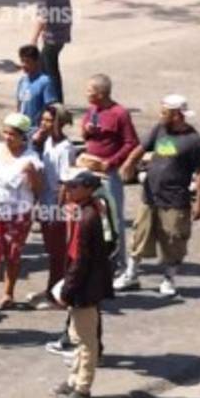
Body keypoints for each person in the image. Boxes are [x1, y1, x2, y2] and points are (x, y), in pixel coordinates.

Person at [116, 95, 200, 297]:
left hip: (175, 200)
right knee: (140, 234)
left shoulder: (193, 141)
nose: (160, 115)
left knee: (173, 240)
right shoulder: (160, 129)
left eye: (164, 112)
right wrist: (129, 162)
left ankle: (169, 278)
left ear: (177, 115)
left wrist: (199, 201)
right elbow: (141, 148)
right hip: (150, 195)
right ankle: (130, 275)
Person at [52, 171, 115, 398]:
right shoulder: (84, 209)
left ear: (88, 188)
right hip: (80, 282)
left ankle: (83, 388)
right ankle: (73, 380)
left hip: (84, 286)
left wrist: (68, 290)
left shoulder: (88, 216)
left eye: (73, 186)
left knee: (87, 340)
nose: (68, 190)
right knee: (77, 335)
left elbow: (82, 260)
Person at [0, 113, 44, 313]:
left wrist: (32, 174)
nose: (7, 137)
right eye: (5, 133)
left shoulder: (31, 159)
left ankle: (8, 293)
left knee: (12, 255)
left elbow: (38, 189)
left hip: (18, 214)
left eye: (13, 134)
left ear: (23, 136)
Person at [79, 74, 138, 271]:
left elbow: (131, 143)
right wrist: (87, 130)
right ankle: (95, 258)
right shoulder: (92, 110)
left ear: (101, 93)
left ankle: (119, 262)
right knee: (90, 216)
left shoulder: (119, 113)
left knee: (113, 218)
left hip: (108, 173)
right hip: (89, 170)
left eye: (90, 91)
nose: (87, 94)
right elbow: (85, 134)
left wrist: (111, 162)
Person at [29, 103, 78, 308]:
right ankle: (52, 288)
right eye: (43, 120)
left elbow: (65, 183)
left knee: (59, 253)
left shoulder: (66, 149)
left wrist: (56, 212)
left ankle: (57, 295)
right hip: (45, 201)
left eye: (49, 120)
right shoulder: (47, 141)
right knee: (52, 251)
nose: (44, 124)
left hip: (56, 206)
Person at [31, 0, 73, 103]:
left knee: (49, 69)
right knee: (49, 66)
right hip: (63, 33)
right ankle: (52, 98)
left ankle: (55, 101)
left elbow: (42, 18)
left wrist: (33, 40)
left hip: (51, 35)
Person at [16, 44, 58, 129]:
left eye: (27, 61)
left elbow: (51, 108)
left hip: (37, 129)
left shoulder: (45, 81)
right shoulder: (22, 81)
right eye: (22, 61)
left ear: (37, 61)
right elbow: (19, 105)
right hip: (22, 129)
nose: (24, 65)